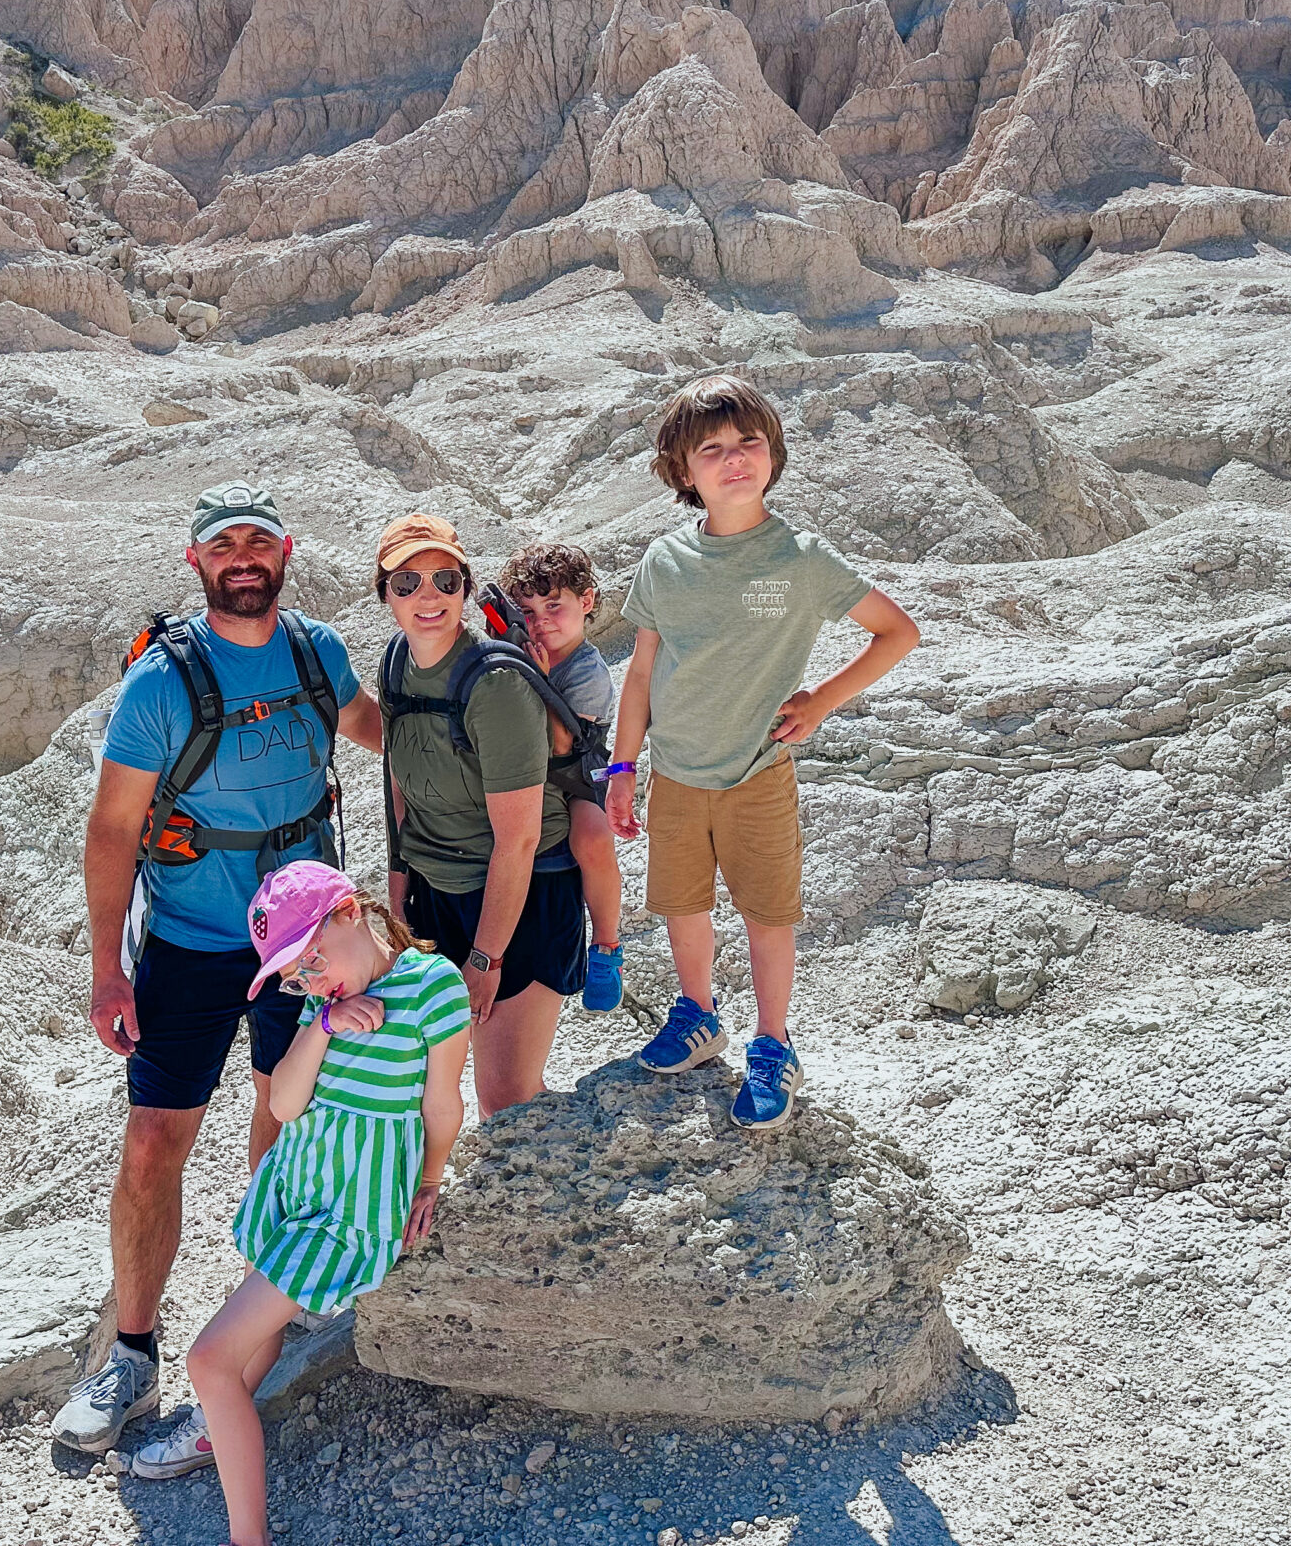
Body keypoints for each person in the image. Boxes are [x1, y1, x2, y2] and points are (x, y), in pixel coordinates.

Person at [58, 483, 385, 1455]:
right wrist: (108, 970)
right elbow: (113, 829)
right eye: (221, 545)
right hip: (191, 943)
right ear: (196, 562)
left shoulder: (318, 653)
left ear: (284, 552)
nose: (242, 557)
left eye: (256, 541)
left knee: (286, 1120)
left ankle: (263, 1315)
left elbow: (391, 731)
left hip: (308, 944)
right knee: (155, 1142)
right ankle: (131, 1352)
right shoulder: (161, 684)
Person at [605, 374, 920, 1131]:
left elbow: (897, 633)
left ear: (773, 455)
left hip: (756, 776)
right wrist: (621, 767)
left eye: (748, 442)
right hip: (674, 774)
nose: (733, 458)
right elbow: (642, 671)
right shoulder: (665, 562)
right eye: (711, 449)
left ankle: (774, 1045)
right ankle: (699, 1016)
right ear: (684, 472)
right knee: (682, 905)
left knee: (766, 914)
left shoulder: (802, 558)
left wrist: (820, 702)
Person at [129, 861, 469, 1532]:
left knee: (208, 1358)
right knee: (252, 1336)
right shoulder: (326, 999)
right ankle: (216, 1430)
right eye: (295, 973)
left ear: (351, 912)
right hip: (297, 1185)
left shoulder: (433, 987)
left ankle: (247, 1532)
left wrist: (429, 1181)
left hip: (344, 1212)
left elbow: (441, 1105)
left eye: (311, 957)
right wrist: (323, 1023)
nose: (310, 978)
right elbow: (284, 1104)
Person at [373, 513, 584, 1114]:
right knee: (427, 1083)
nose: (428, 597)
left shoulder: (493, 684)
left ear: (465, 585)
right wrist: (396, 911)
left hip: (524, 896)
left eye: (444, 579)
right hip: (435, 896)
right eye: (406, 583)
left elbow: (518, 840)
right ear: (385, 593)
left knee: (506, 1094)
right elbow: (399, 797)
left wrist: (485, 958)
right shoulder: (395, 664)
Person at [497, 540, 626, 1014]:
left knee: (591, 838)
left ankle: (608, 947)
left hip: (580, 771)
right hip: (526, 767)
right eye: (528, 610)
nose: (542, 620)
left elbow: (562, 745)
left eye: (555, 605)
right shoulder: (520, 646)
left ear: (587, 601)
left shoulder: (588, 670)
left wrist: (536, 676)